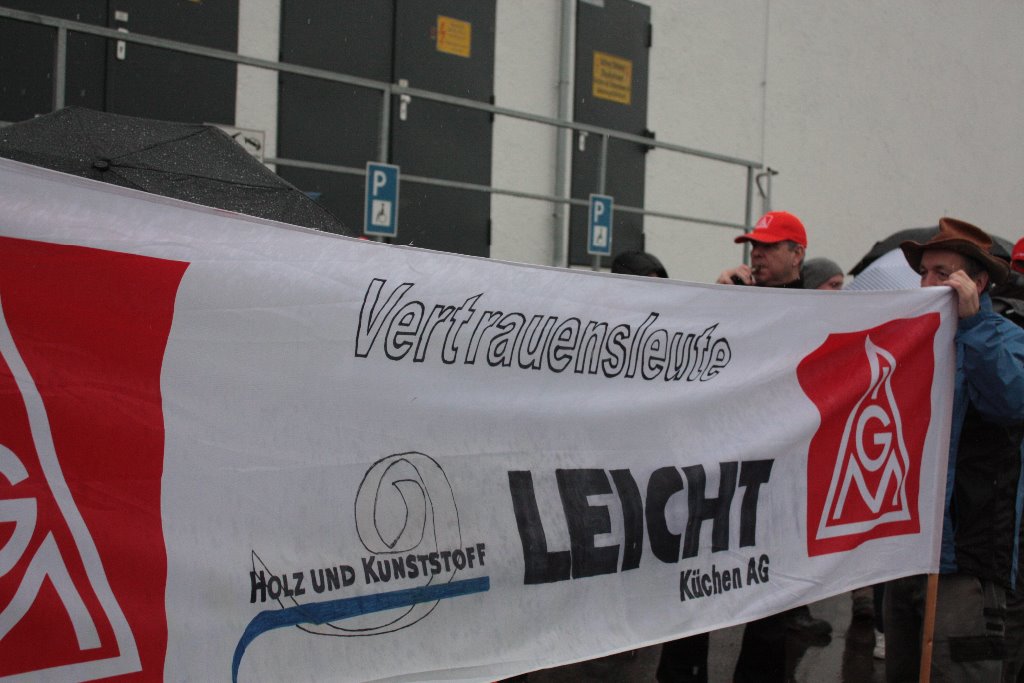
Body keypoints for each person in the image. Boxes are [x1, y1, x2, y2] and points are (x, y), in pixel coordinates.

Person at [884, 218, 1024, 683]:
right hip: (905, 549)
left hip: (967, 559)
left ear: (977, 283)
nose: (927, 283)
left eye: (942, 273)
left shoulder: (1005, 337)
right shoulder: (912, 338)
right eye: (923, 272)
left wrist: (975, 324)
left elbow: (1010, 401)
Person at [717, 211, 833, 683]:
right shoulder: (741, 299)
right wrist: (715, 301)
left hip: (790, 475)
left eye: (768, 246)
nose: (757, 255)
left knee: (773, 596)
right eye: (754, 246)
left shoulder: (817, 310)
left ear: (797, 254)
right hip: (737, 466)